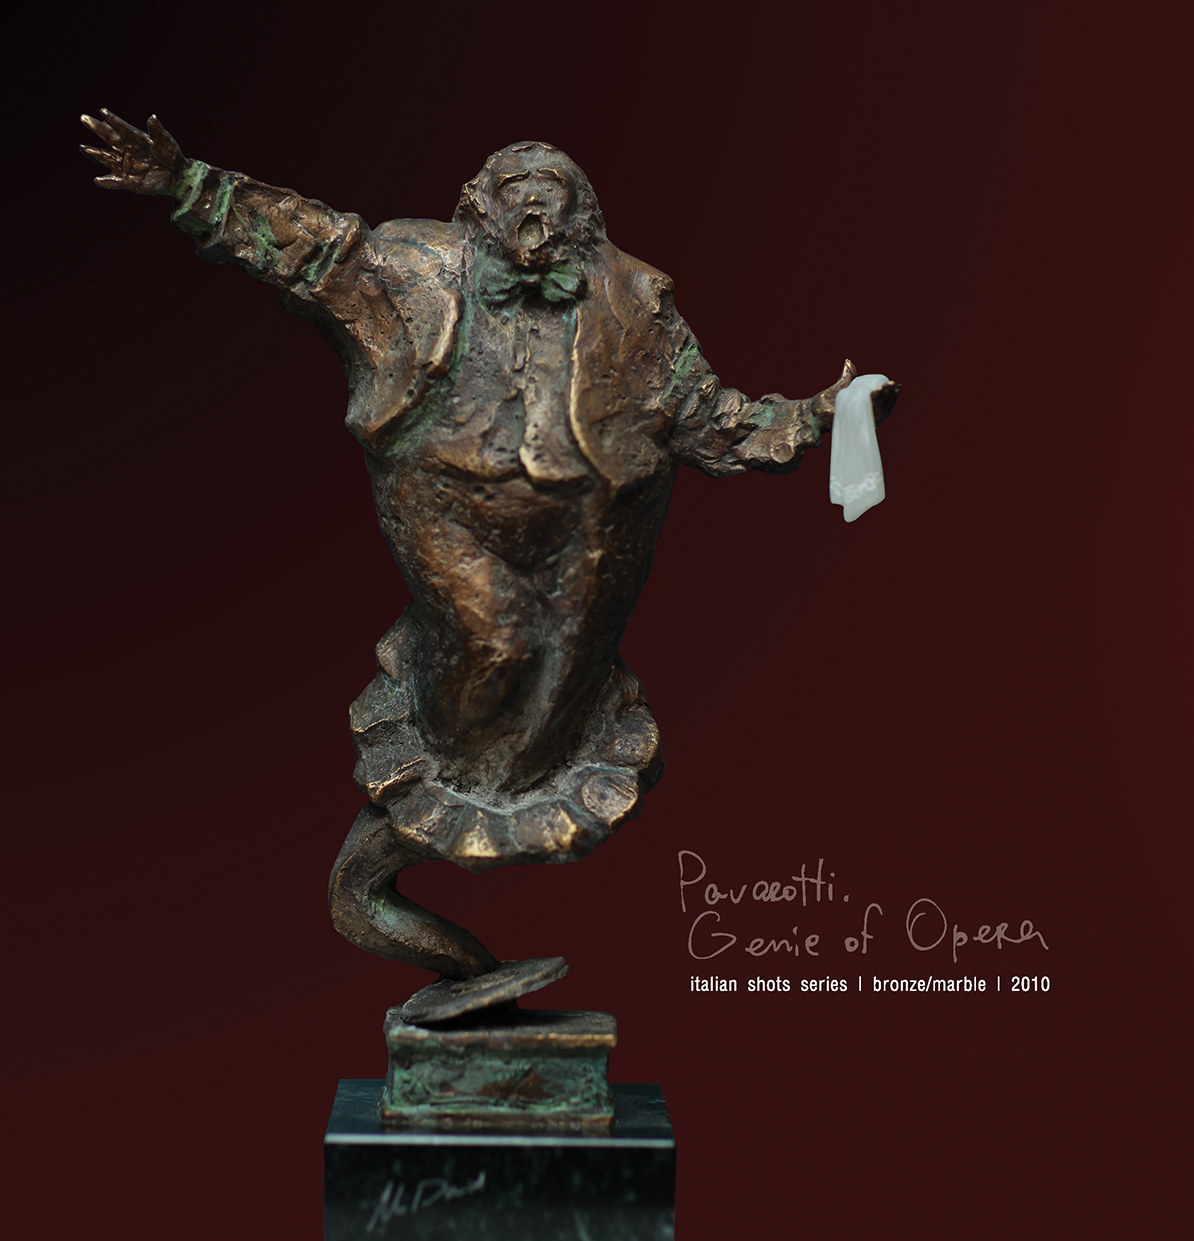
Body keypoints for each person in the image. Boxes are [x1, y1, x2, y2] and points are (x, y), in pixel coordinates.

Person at [82, 111, 899, 981]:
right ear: (479, 205)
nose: (535, 203)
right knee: (495, 640)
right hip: (445, 508)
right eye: (516, 188)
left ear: (583, 214)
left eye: (555, 190)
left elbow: (709, 417)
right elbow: (309, 245)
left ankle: (445, 864)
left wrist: (821, 414)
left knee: (562, 684)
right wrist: (187, 183)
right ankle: (420, 814)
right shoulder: (413, 269)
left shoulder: (634, 299)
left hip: (589, 534)